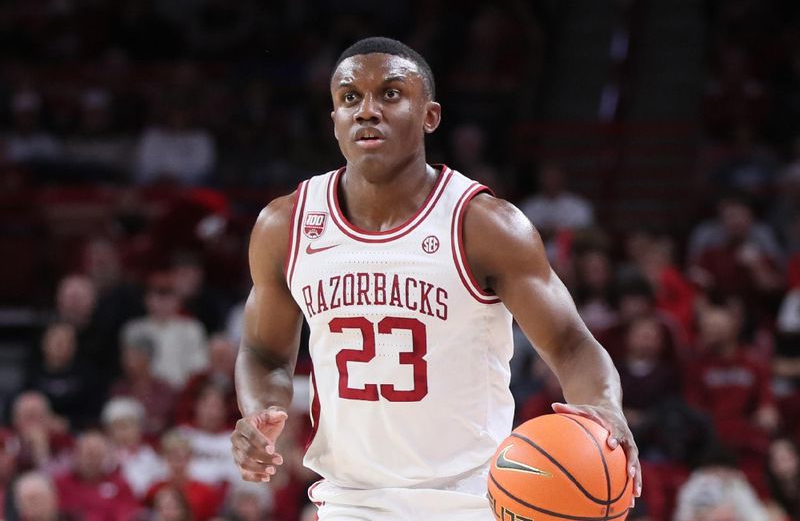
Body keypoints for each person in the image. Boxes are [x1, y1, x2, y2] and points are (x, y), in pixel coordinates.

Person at [229, 37, 640, 520]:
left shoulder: (483, 224)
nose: (366, 111)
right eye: (349, 98)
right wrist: (259, 412)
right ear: (334, 121)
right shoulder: (286, 225)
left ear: (430, 115)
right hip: (349, 501)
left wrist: (606, 407)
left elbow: (571, 343)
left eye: (390, 93)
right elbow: (264, 353)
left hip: (475, 498)